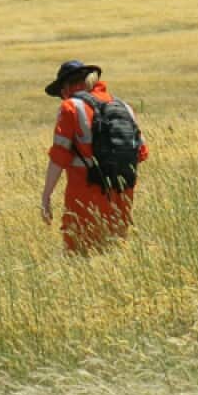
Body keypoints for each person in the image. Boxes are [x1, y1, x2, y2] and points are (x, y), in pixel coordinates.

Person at [41, 60, 149, 254]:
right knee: (115, 255)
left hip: (85, 196)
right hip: (122, 194)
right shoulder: (124, 107)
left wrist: (46, 195)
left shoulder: (70, 107)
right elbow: (142, 153)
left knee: (79, 258)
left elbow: (59, 156)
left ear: (66, 88)